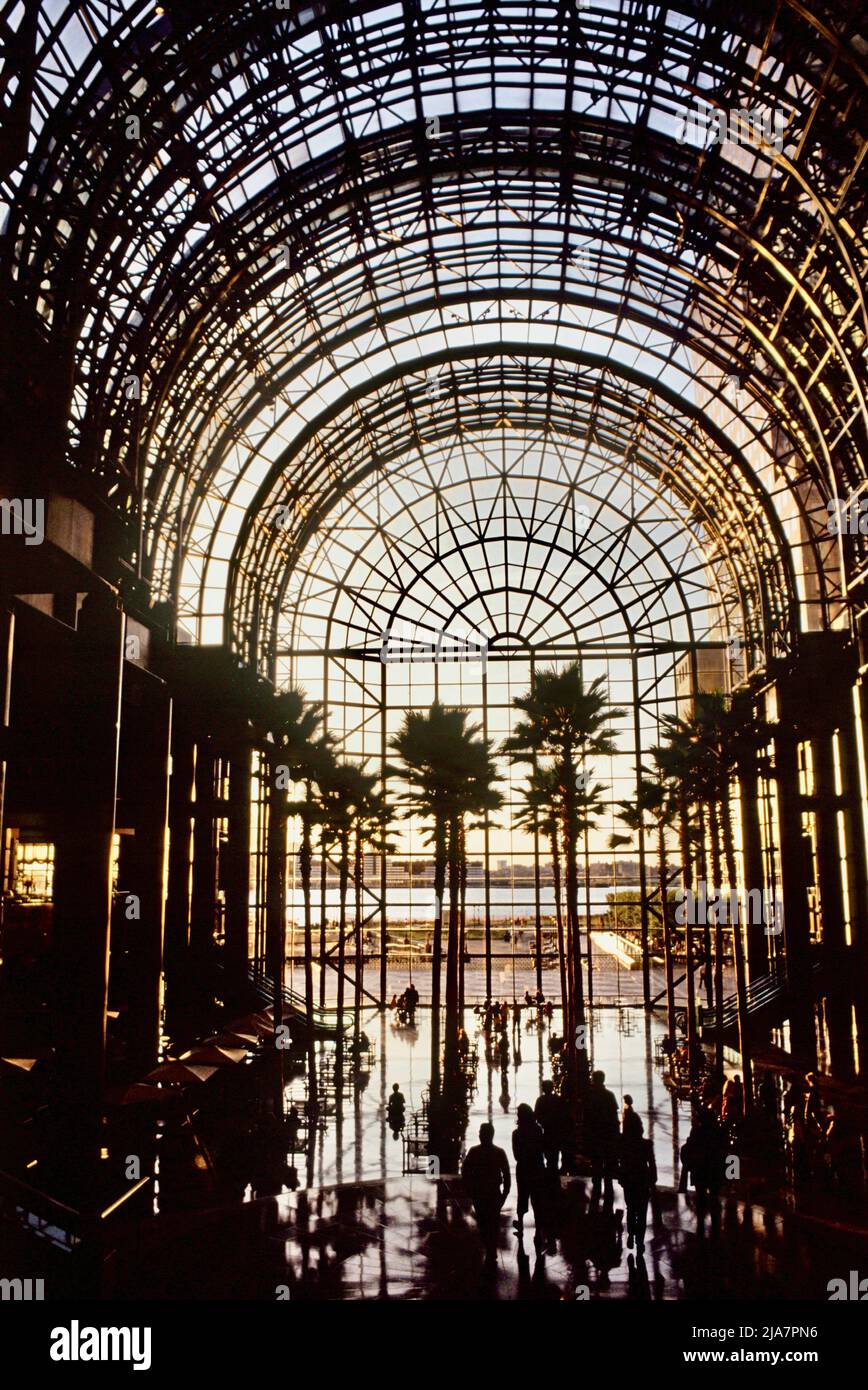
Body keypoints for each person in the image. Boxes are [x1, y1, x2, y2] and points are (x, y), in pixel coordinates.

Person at [462, 1122, 511, 1267]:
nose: (479, 1134)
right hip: (493, 1192)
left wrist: (469, 1189)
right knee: (492, 1222)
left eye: (481, 1132)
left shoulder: (474, 1151)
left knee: (483, 1221)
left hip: (479, 1192)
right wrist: (505, 1193)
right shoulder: (499, 1152)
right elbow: (506, 1174)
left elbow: (465, 1171)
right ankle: (491, 1248)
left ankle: (488, 1247)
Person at [511, 1104, 547, 1241]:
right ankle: (538, 1228)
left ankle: (520, 1223)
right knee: (537, 1199)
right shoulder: (538, 1130)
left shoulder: (517, 1134)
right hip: (537, 1168)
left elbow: (516, 1155)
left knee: (522, 1196)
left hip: (523, 1169)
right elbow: (542, 1148)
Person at [585, 1070, 620, 1203]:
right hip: (607, 1134)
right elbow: (614, 1116)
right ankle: (608, 1183)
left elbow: (587, 1117)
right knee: (608, 1161)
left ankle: (597, 1184)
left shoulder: (590, 1096)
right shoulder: (609, 1095)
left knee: (596, 1161)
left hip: (595, 1134)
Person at [620, 1130, 656, 1253]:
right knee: (642, 1212)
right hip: (642, 1181)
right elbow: (652, 1163)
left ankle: (631, 1234)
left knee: (631, 1209)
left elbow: (623, 1163)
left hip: (629, 1181)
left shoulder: (626, 1145)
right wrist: (652, 1180)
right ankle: (639, 1241)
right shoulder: (647, 1145)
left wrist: (622, 1178)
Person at [534, 1079, 568, 1176]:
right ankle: (554, 1173)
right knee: (555, 1155)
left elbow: (537, 1115)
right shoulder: (557, 1100)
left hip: (547, 1131)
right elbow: (563, 1115)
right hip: (557, 1131)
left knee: (549, 1155)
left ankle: (550, 1173)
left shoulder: (540, 1100)